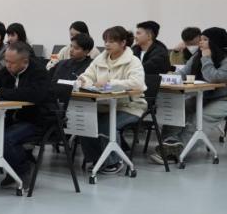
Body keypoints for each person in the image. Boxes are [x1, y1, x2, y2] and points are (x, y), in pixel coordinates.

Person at [0, 41, 58, 186]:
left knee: (6, 138)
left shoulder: (39, 73)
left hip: (38, 120)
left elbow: (31, 95)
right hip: (13, 118)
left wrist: (1, 92)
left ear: (25, 62)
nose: (7, 65)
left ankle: (23, 170)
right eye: (6, 61)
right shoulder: (7, 71)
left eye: (12, 63)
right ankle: (12, 166)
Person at [76, 26, 146, 174]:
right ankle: (97, 159)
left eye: (112, 41)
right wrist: (83, 81)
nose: (107, 44)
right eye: (105, 41)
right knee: (85, 123)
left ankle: (114, 162)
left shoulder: (133, 61)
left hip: (130, 105)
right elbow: (87, 75)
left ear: (123, 43)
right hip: (104, 105)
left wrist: (110, 83)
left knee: (106, 125)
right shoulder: (100, 59)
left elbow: (137, 83)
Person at [158, 27, 227, 164]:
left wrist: (206, 58)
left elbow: (214, 78)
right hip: (202, 95)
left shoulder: (224, 59)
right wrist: (167, 79)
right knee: (177, 108)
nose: (201, 42)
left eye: (205, 40)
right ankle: (167, 145)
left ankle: (176, 152)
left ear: (215, 42)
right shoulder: (197, 56)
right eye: (200, 39)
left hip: (222, 99)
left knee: (199, 119)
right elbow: (183, 73)